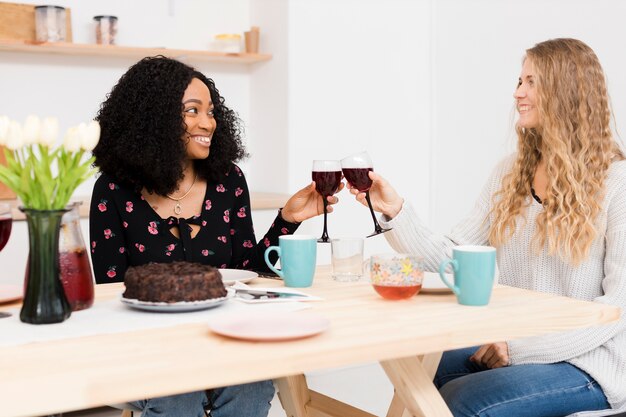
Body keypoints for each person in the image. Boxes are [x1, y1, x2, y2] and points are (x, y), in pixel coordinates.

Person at [349, 38, 626, 416]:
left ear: (565, 92)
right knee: (422, 373)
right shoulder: (511, 175)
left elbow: (617, 308)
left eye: (531, 82)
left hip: (592, 363)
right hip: (520, 345)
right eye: (519, 81)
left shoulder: (617, 183)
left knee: (461, 401)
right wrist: (396, 210)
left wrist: (517, 348)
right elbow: (454, 255)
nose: (517, 93)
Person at [89, 56, 339, 417]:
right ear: (153, 118)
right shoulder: (113, 190)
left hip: (226, 336)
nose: (208, 122)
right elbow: (111, 292)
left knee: (252, 384)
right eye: (192, 111)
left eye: (211, 111)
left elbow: (249, 269)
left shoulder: (228, 180)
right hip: (150, 347)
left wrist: (288, 220)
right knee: (179, 393)